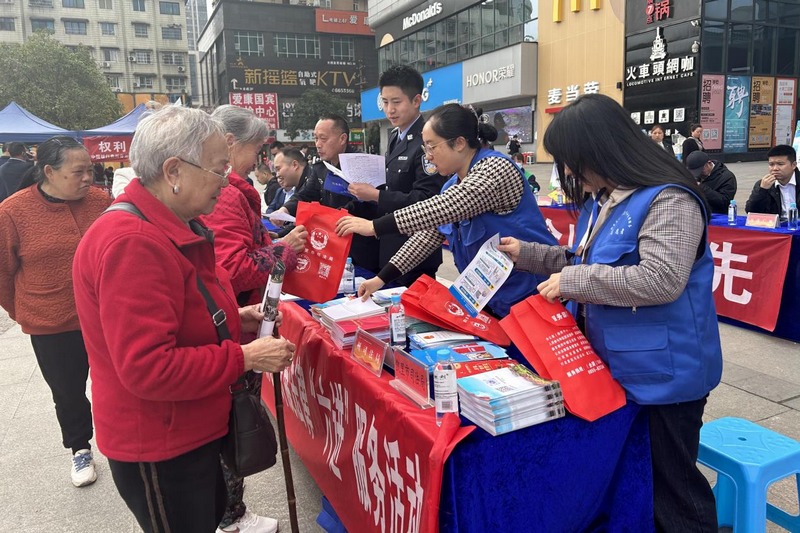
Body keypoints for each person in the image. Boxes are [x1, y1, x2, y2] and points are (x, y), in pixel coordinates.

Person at [496, 94, 722, 533]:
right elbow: (582, 261)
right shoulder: (603, 201)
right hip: (620, 370)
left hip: (665, 376)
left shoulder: (669, 200)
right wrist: (527, 255)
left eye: (572, 161)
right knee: (638, 485)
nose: (571, 173)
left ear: (600, 149)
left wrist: (572, 284)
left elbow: (660, 279)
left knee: (673, 492)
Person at [73, 106, 296, 533]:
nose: (227, 180)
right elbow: (148, 367)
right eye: (217, 169)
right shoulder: (133, 242)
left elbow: (185, 311)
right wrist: (245, 357)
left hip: (189, 428)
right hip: (160, 441)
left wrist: (238, 318)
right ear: (173, 170)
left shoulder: (169, 222)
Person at [336, 103, 557, 317]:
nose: (428, 156)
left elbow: (444, 208)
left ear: (459, 143)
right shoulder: (451, 185)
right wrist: (381, 279)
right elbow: (426, 237)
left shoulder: (496, 169)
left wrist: (374, 226)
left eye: (432, 146)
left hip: (532, 296)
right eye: (425, 147)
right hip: (489, 300)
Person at [197, 105, 304, 533]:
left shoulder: (231, 189)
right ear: (229, 144)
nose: (261, 159)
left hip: (237, 312)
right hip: (234, 324)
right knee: (234, 416)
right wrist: (285, 250)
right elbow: (235, 265)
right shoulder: (225, 192)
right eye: (256, 148)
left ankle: (229, 510)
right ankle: (230, 515)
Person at [0, 136, 111, 487]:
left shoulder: (102, 202)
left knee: (120, 380)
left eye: (90, 171)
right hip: (51, 323)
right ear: (49, 171)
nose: (87, 179)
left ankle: (127, 439)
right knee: (67, 391)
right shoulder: (13, 212)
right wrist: (25, 312)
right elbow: (2, 273)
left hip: (107, 316)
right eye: (78, 172)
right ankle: (79, 447)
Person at [345, 65, 448, 285]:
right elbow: (391, 187)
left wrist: (376, 195)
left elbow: (427, 199)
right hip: (389, 243)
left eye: (396, 102)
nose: (389, 109)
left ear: (417, 100)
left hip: (416, 248)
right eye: (385, 102)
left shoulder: (426, 141)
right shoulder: (395, 136)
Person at [271, 114, 381, 272]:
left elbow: (366, 206)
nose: (318, 144)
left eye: (323, 138)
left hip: (360, 246)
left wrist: (327, 217)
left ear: (342, 139)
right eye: (316, 138)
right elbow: (305, 194)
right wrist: (285, 209)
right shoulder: (321, 167)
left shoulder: (362, 164)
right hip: (330, 243)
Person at [745, 144, 800, 218]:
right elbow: (751, 211)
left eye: (780, 164)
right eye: (771, 164)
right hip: (776, 226)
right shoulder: (764, 184)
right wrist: (762, 191)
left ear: (793, 165)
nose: (775, 168)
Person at [268, 147, 307, 215]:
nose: (277, 175)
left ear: (295, 165)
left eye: (278, 169)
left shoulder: (314, 184)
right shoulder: (301, 188)